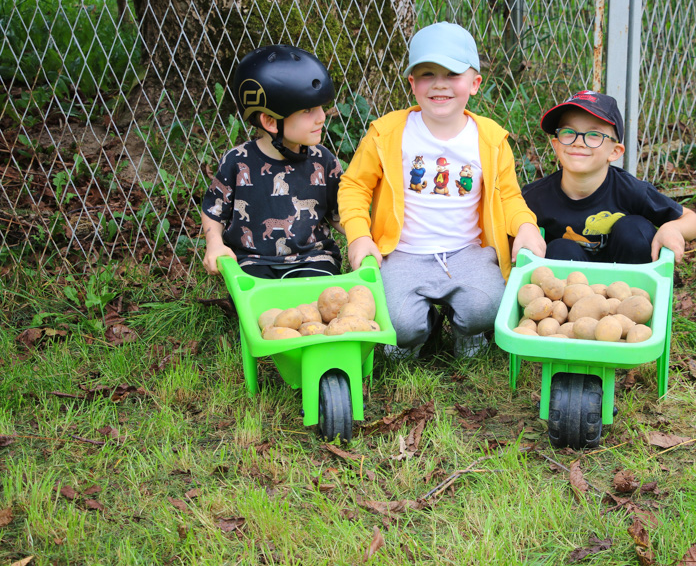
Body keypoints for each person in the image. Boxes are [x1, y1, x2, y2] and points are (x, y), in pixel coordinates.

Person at [337, 21, 546, 358]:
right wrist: (359, 236)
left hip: (466, 251)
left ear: (475, 83)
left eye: (452, 75)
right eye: (427, 74)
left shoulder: (490, 140)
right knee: (399, 324)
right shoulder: (388, 133)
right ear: (412, 83)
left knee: (488, 307)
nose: (439, 85)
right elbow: (354, 186)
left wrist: (524, 226)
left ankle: (467, 327)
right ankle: (422, 328)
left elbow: (508, 196)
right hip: (403, 253)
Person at [201, 45, 344, 279]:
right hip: (252, 261)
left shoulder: (323, 160)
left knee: (319, 300)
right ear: (270, 121)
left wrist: (365, 237)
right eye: (308, 109)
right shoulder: (237, 162)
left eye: (321, 107)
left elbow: (341, 214)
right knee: (259, 307)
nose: (321, 117)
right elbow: (214, 211)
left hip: (312, 258)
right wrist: (214, 244)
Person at [522, 91, 696, 264]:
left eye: (594, 135)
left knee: (635, 228)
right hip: (570, 289)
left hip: (629, 285)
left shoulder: (629, 190)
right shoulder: (536, 197)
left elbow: (692, 220)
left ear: (615, 151)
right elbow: (507, 225)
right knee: (560, 249)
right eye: (569, 132)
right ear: (556, 144)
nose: (578, 142)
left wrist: (671, 228)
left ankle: (643, 290)